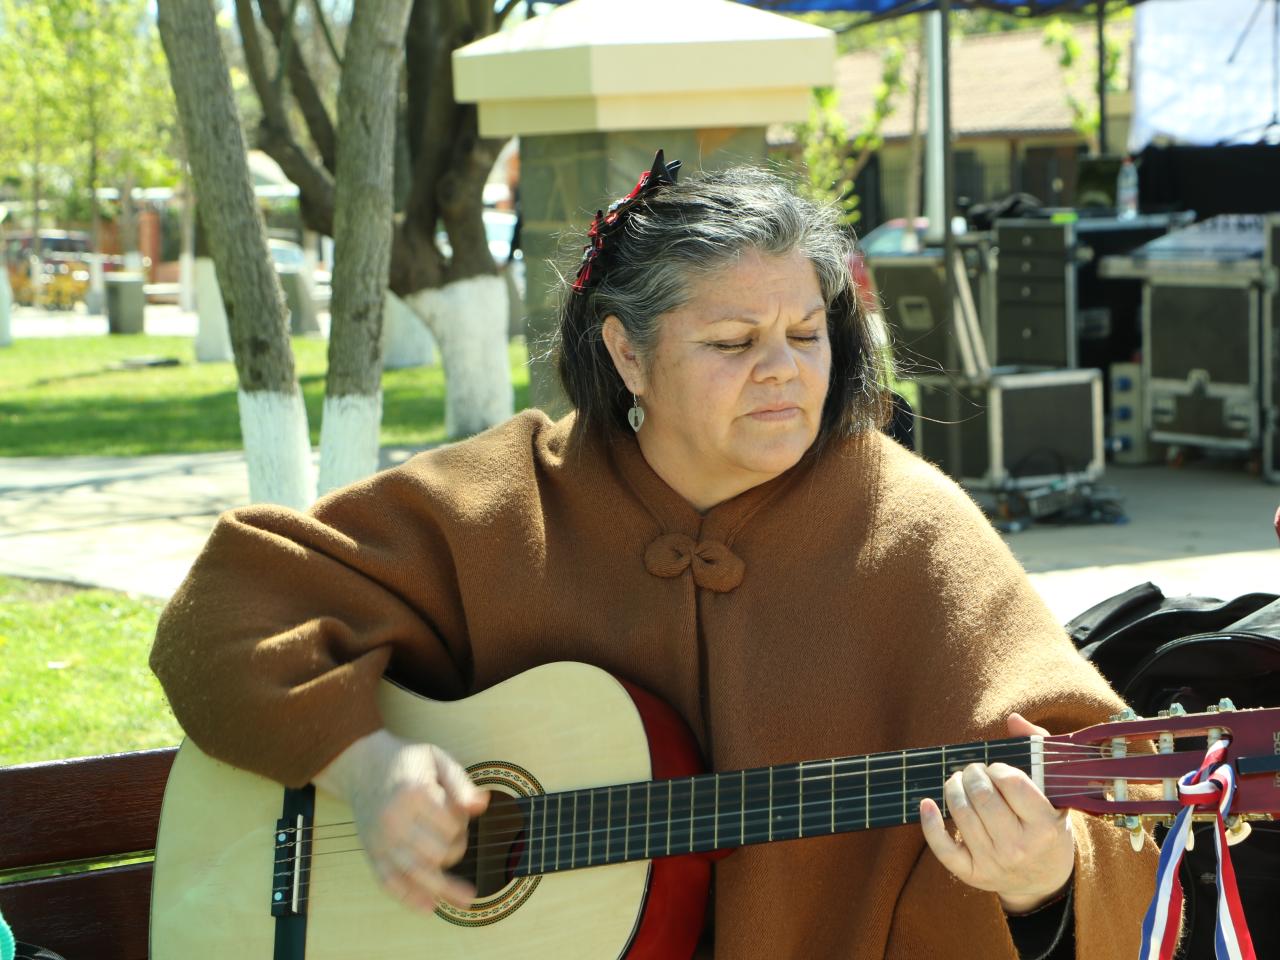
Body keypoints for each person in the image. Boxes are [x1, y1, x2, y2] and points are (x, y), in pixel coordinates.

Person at [151, 152, 1159, 958]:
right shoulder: (508, 500)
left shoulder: (911, 529)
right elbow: (226, 610)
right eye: (731, 342)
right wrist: (364, 768)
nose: (783, 372)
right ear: (627, 352)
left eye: (806, 333)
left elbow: (1101, 817)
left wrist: (1039, 880)